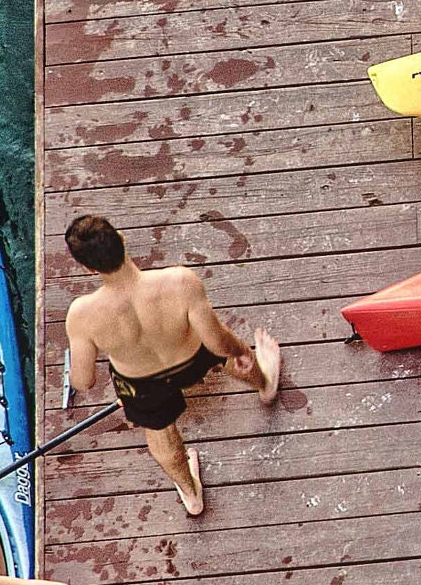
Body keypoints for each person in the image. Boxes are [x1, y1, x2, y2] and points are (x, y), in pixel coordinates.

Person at [59, 213, 282, 517]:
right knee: (223, 354)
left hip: (140, 382)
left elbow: (83, 381)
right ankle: (265, 384)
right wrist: (242, 351)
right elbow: (217, 342)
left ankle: (191, 495)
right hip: (190, 358)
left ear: (88, 267)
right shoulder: (179, 281)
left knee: (160, 430)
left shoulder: (82, 315)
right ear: (122, 239)